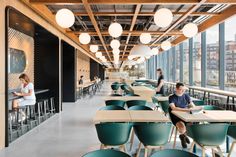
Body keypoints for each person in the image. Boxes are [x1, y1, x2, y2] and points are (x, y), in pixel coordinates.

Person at [168, 82, 202, 148]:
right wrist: (186, 110)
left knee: (194, 126)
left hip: (186, 115)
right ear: (176, 89)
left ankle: (182, 136)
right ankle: (184, 135)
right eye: (181, 89)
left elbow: (192, 105)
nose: (183, 91)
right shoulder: (172, 97)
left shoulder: (186, 95)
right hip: (176, 116)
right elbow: (173, 108)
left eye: (184, 89)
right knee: (182, 128)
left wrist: (196, 109)